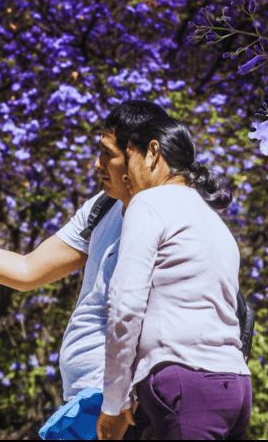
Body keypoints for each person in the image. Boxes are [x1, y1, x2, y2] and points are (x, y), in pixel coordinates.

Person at [0, 100, 181, 440]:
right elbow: (27, 270)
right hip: (85, 402)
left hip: (128, 410)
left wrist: (125, 405)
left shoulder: (175, 218)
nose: (97, 164)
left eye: (107, 153)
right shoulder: (103, 205)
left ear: (142, 155)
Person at [96, 115, 252, 440]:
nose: (126, 173)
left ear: (152, 153)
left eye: (130, 156)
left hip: (187, 385)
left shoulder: (149, 202)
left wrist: (113, 405)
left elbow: (125, 308)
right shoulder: (212, 220)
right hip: (235, 386)